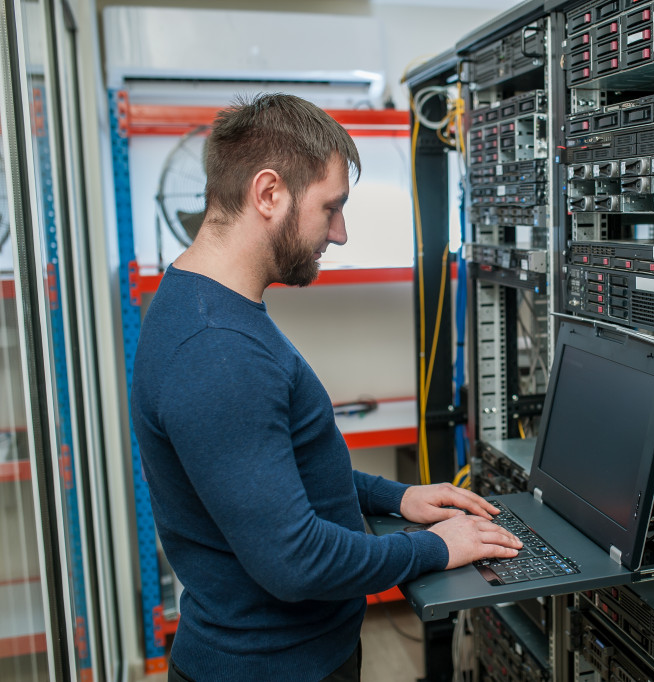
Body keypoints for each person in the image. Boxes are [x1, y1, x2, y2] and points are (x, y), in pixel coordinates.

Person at [130, 93, 522, 682]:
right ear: (268, 194)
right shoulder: (217, 349)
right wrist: (436, 548)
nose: (339, 232)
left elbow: (282, 468)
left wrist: (396, 498)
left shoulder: (207, 306)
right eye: (331, 207)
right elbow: (296, 560)